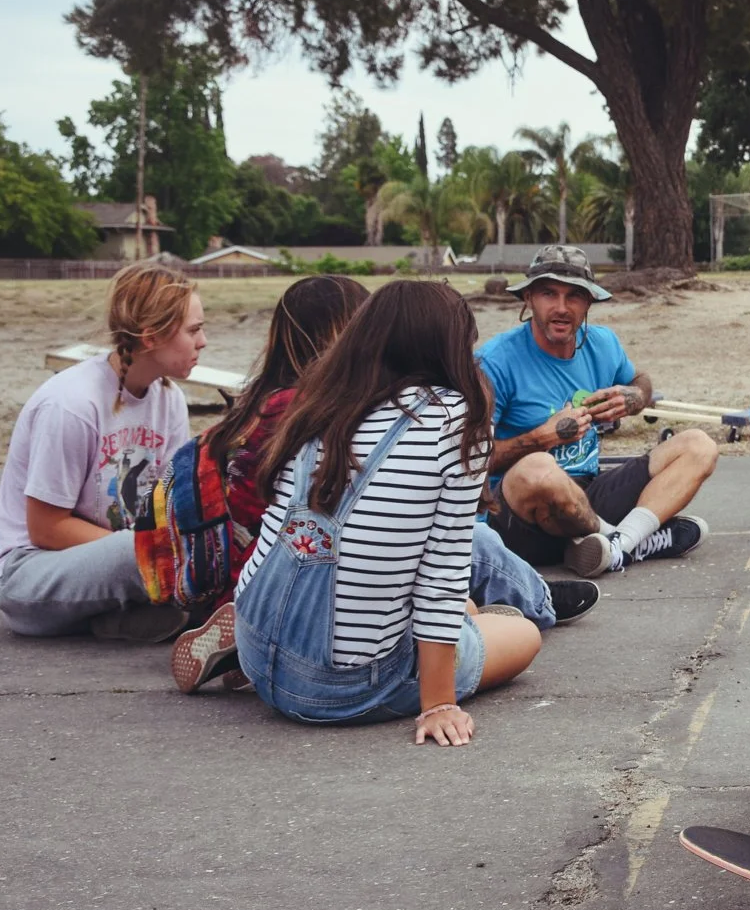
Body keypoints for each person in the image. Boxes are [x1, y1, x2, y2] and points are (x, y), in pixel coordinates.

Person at [165, 277, 598, 693]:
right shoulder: (434, 422)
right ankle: (534, 604)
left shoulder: (300, 411)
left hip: (266, 604)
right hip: (344, 659)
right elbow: (439, 573)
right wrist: (439, 703)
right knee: (498, 598)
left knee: (434, 584)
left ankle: (257, 639)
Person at [232, 280, 542, 742]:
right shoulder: (457, 421)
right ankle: (511, 612)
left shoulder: (320, 406)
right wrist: (438, 704)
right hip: (343, 687)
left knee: (456, 603)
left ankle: (461, 621)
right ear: (450, 346)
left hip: (257, 652)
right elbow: (442, 570)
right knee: (523, 637)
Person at [0, 264, 207, 641]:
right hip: (31, 574)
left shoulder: (170, 399)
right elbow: (46, 529)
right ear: (152, 337)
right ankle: (189, 612)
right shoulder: (71, 404)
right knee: (148, 554)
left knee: (211, 544)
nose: (203, 341)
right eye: (194, 330)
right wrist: (152, 552)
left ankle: (119, 621)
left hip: (120, 563)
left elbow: (165, 505)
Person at [478, 245, 715, 577]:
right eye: (549, 293)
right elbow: (470, 458)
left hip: (586, 497)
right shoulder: (495, 361)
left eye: (574, 296)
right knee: (538, 467)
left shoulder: (603, 343)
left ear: (589, 301)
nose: (561, 308)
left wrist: (634, 397)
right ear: (528, 298)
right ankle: (626, 540)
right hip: (522, 516)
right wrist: (541, 437)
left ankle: (616, 546)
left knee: (698, 445)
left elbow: (640, 380)